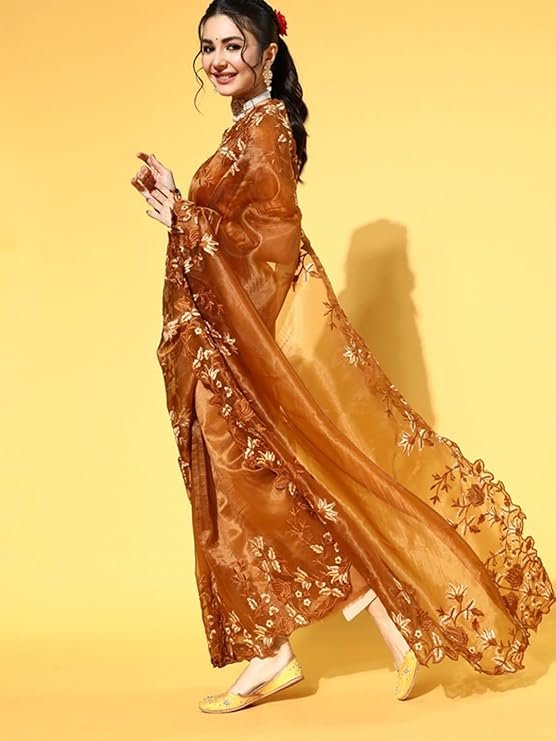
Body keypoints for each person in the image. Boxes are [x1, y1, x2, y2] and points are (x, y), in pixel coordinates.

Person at [131, 0, 555, 715]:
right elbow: (243, 231)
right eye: (208, 47)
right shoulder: (247, 127)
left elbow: (271, 247)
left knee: (253, 489)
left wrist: (183, 213)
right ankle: (361, 626)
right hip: (225, 347)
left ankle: (284, 649)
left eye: (233, 45)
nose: (218, 60)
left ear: (268, 53)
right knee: (266, 485)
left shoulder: (264, 132)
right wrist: (180, 207)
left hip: (242, 346)